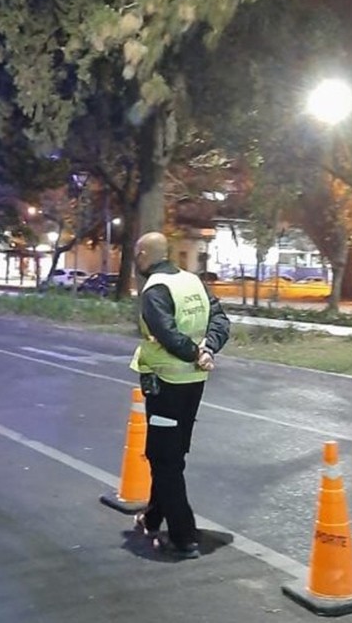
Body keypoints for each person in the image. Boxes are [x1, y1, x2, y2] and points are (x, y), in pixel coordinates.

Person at [129, 232, 230, 559]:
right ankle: (152, 517)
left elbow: (166, 332)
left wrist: (194, 353)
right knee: (173, 454)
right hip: (193, 382)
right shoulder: (193, 282)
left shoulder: (155, 289)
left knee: (163, 458)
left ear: (144, 254)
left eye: (137, 253)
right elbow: (220, 319)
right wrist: (207, 349)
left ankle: (183, 537)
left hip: (166, 383)